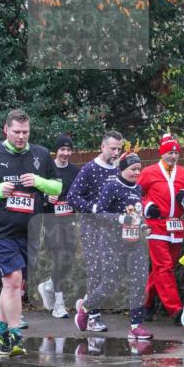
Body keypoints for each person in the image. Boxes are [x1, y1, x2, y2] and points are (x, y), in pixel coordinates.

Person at [0, 110, 60, 356]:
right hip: (2, 230)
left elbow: (57, 186)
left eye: (25, 132)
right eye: (16, 132)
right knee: (11, 281)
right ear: (6, 129)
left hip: (31, 230)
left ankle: (1, 330)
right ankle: (15, 337)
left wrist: (38, 181)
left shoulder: (41, 154)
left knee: (14, 286)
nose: (21, 136)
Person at [75, 152, 152, 340]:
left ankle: (136, 326)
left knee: (139, 282)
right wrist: (120, 218)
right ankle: (86, 308)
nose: (136, 173)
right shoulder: (111, 187)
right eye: (132, 169)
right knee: (110, 284)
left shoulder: (138, 188)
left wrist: (143, 225)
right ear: (122, 168)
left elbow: (136, 214)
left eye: (138, 169)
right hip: (112, 243)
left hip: (135, 242)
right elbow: (100, 214)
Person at [67, 130, 124, 332]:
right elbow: (72, 196)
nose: (116, 152)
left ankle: (87, 304)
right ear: (102, 147)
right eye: (113, 148)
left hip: (113, 230)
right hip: (91, 228)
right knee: (97, 272)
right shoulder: (90, 169)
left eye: (119, 148)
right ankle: (93, 317)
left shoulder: (119, 171)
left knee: (112, 273)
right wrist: (93, 208)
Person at [140, 133, 184, 323]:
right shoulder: (148, 172)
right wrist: (147, 207)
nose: (173, 156)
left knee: (163, 269)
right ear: (161, 153)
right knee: (163, 267)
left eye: (176, 153)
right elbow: (135, 195)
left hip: (176, 225)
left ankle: (144, 303)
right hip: (156, 226)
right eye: (169, 152)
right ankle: (176, 309)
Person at [37, 133, 80, 319]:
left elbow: (79, 194)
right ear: (56, 151)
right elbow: (35, 194)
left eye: (68, 149)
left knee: (68, 261)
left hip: (69, 221)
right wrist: (46, 198)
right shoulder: (47, 170)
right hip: (51, 221)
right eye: (62, 149)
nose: (65, 153)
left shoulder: (75, 171)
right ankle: (59, 305)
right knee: (59, 258)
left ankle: (47, 286)